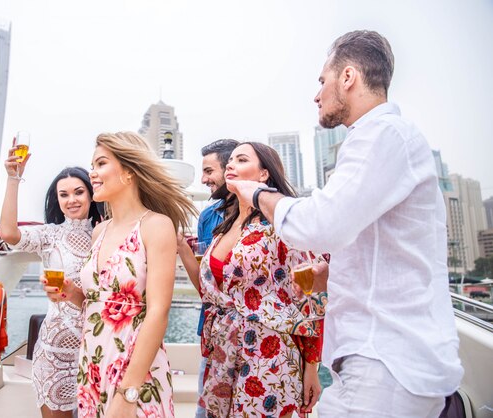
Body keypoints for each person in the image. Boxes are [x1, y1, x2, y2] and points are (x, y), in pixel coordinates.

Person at [227, 30, 463, 417]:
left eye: (323, 81)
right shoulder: (379, 140)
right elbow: (382, 254)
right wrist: (329, 276)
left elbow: (320, 225)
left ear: (348, 77)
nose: (316, 94)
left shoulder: (383, 134)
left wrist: (255, 194)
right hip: (381, 363)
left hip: (384, 365)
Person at [199, 141, 327, 417]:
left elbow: (312, 297)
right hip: (223, 351)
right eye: (230, 160)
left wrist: (311, 369)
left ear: (264, 174)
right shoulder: (224, 224)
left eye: (241, 160)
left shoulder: (281, 224)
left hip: (268, 354)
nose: (231, 164)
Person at [74, 131, 197, 417]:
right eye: (93, 165)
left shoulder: (156, 225)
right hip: (92, 362)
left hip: (134, 371)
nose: (92, 173)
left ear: (129, 172)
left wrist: (128, 394)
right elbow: (97, 303)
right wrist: (71, 294)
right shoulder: (98, 231)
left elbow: (158, 312)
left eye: (101, 164)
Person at [0, 142, 102, 417]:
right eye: (64, 194)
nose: (72, 200)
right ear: (57, 200)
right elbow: (9, 234)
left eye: (79, 192)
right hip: (54, 350)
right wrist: (13, 177)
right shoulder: (50, 235)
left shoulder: (107, 235)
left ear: (92, 195)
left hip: (97, 348)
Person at [176, 138, 238, 418]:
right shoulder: (208, 216)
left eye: (209, 171)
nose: (203, 179)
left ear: (230, 169)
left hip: (254, 334)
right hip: (212, 334)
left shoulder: (265, 215)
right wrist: (180, 246)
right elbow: (205, 288)